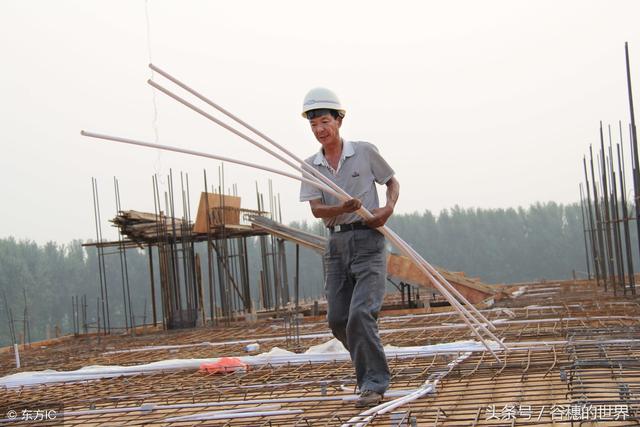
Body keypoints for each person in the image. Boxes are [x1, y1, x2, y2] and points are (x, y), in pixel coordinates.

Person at [298, 87, 400, 408]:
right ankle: (370, 366)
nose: (319, 130)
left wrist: (387, 209)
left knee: (360, 313)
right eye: (313, 125)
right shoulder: (311, 165)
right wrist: (342, 208)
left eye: (325, 122)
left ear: (339, 120)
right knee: (339, 318)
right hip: (337, 244)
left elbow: (392, 182)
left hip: (369, 240)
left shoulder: (365, 152)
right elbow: (316, 209)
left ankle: (373, 382)